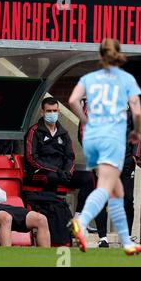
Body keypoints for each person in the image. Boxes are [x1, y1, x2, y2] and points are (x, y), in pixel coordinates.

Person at [68, 38, 141, 255]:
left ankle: (127, 243)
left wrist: (85, 121)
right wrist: (136, 131)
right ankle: (81, 222)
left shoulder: (89, 79)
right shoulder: (125, 80)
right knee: (107, 188)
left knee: (117, 191)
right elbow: (137, 113)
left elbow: (73, 100)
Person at [24, 97, 106, 237]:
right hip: (41, 173)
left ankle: (78, 218)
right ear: (42, 112)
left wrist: (67, 172)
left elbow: (70, 157)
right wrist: (56, 171)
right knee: (50, 177)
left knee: (88, 178)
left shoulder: (63, 133)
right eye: (49, 111)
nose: (52, 113)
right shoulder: (34, 131)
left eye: (55, 110)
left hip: (62, 173)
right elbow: (32, 158)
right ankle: (56, 223)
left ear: (59, 112)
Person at [78, 100, 140, 247]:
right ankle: (103, 237)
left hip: (125, 162)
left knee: (128, 198)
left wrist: (134, 157)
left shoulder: (129, 114)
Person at [0, 179, 50, 247]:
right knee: (6, 217)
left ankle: (45, 256)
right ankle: (6, 255)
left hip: (1, 206)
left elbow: (3, 196)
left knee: (41, 219)